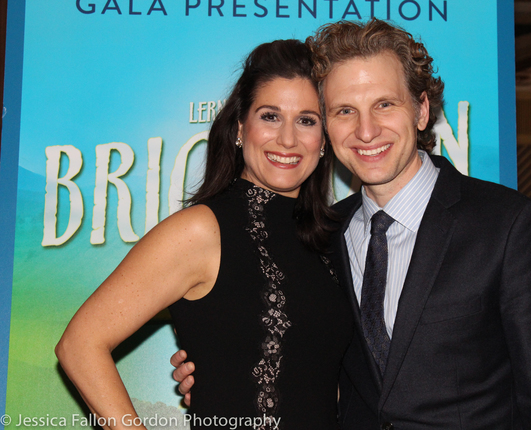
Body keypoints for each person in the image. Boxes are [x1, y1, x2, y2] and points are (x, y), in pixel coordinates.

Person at [173, 19, 531, 429]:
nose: (366, 130)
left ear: (421, 109)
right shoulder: (321, 235)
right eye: (344, 111)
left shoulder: (509, 227)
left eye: (384, 105)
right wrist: (224, 372)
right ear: (325, 129)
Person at [56, 39, 353, 430]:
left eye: (306, 120)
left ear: (325, 140)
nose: (287, 139)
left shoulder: (337, 237)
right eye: (269, 116)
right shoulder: (201, 229)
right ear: (239, 128)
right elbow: (80, 345)